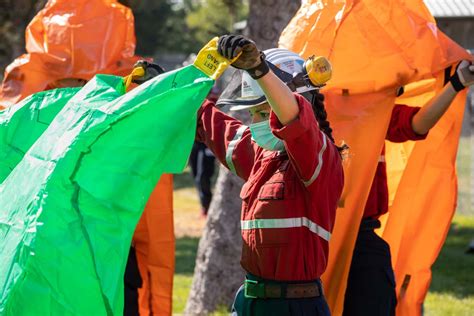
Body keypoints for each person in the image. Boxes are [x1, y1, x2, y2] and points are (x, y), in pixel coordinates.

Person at [199, 35, 344, 315]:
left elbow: (295, 122)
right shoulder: (260, 154)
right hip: (250, 302)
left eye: (263, 111)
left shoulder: (323, 159)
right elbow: (206, 120)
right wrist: (161, 86)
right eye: (252, 112)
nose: (255, 122)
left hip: (295, 307)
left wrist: (259, 69)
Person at [343, 60, 474, 316]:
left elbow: (416, 124)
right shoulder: (314, 108)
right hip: (321, 237)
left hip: (363, 236)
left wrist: (456, 83)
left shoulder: (374, 110)